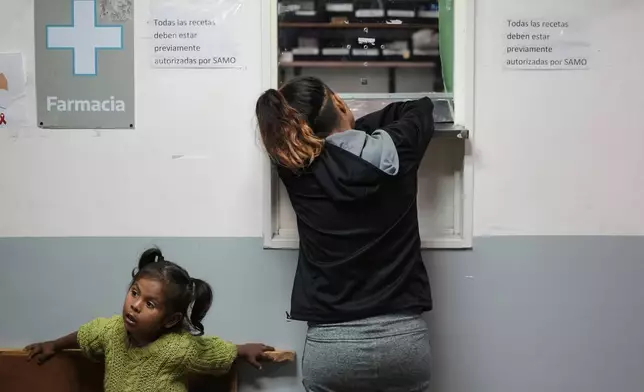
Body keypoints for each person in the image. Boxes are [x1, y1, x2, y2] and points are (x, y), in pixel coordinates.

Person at [255, 76, 435, 391]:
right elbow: (418, 108)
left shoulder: (295, 168)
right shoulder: (400, 147)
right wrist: (354, 128)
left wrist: (339, 130)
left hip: (331, 346)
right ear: (338, 102)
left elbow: (290, 141)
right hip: (404, 341)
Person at [24, 248, 274, 392]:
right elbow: (84, 335)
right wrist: (54, 345)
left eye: (150, 304)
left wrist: (243, 350)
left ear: (170, 320)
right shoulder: (111, 331)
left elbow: (214, 352)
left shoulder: (179, 348)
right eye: (134, 293)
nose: (135, 305)